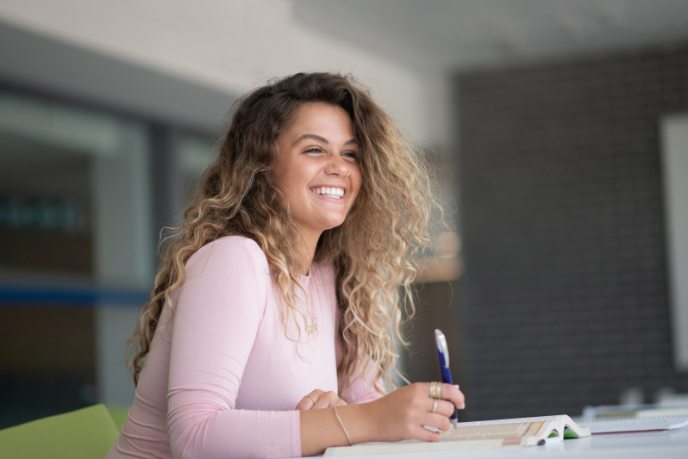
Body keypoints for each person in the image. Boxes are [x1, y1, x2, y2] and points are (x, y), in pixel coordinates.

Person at [105, 72, 465, 459]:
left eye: (350, 154)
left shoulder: (335, 279)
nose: (339, 168)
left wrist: (376, 418)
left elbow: (370, 409)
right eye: (314, 150)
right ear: (262, 166)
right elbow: (195, 438)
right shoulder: (233, 260)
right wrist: (356, 423)